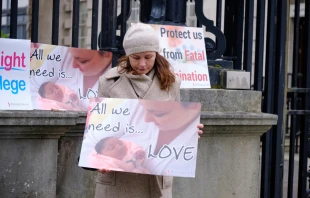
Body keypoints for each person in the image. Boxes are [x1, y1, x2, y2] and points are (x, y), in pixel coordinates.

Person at [94, 23, 203, 198]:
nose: (142, 63)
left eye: (148, 57)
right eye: (136, 57)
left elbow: (174, 123)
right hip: (118, 178)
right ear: (127, 55)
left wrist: (187, 131)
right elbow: (97, 130)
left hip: (155, 177)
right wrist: (97, 161)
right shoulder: (108, 82)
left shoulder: (171, 83)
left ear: (156, 54)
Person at [30, 46, 112, 110]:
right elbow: (32, 91)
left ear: (106, 53)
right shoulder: (63, 53)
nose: (73, 65)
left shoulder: (120, 78)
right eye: (71, 55)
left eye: (83, 61)